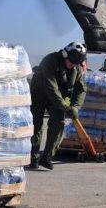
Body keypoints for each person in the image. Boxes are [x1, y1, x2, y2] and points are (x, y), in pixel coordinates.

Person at [29, 42, 87, 170]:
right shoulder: (50, 61)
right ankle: (33, 156)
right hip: (39, 94)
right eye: (72, 61)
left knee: (58, 123)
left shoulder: (76, 69)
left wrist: (75, 107)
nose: (73, 64)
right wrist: (65, 107)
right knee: (35, 125)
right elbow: (51, 87)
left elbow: (81, 89)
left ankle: (47, 155)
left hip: (57, 98)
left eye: (77, 62)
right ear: (65, 55)